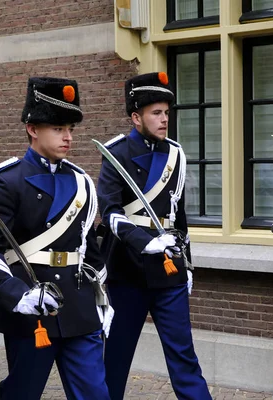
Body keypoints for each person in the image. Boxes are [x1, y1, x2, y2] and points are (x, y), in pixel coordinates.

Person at [0, 77, 112, 400]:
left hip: (78, 307)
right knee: (22, 392)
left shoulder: (81, 181)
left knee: (95, 393)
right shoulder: (8, 181)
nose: (67, 137)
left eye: (70, 129)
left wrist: (103, 299)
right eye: (58, 128)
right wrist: (17, 295)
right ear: (33, 129)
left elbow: (88, 247)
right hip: (31, 309)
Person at [97, 71, 211, 400]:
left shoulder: (176, 154)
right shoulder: (114, 153)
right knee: (115, 359)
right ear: (136, 117)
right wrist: (144, 242)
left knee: (184, 358)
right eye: (156, 113)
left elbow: (180, 217)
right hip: (126, 271)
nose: (164, 120)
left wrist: (186, 264)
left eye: (166, 113)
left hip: (168, 269)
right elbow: (110, 214)